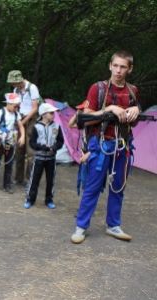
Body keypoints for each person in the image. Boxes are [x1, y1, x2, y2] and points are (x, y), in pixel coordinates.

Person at [70, 50, 140, 244]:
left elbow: (132, 123)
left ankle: (113, 225)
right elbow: (84, 119)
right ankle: (81, 227)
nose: (118, 70)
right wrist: (109, 109)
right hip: (100, 145)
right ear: (110, 65)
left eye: (123, 67)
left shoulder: (133, 91)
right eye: (115, 66)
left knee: (118, 188)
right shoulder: (97, 88)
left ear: (130, 69)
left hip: (122, 146)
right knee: (92, 187)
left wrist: (136, 110)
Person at [23, 103, 63, 209]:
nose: (53, 115)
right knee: (34, 179)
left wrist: (55, 147)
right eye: (51, 113)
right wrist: (41, 147)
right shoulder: (36, 127)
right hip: (39, 158)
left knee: (51, 180)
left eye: (53, 113)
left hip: (51, 159)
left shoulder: (57, 126)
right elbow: (32, 143)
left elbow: (60, 141)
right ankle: (30, 199)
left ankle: (49, 199)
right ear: (44, 114)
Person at [7, 70, 40, 186]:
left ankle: (29, 179)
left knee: (31, 151)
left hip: (30, 120)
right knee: (19, 149)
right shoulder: (16, 90)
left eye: (14, 82)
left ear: (20, 80)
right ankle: (18, 178)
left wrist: (23, 122)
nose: (13, 85)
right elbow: (15, 105)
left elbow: (35, 108)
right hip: (20, 118)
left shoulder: (32, 88)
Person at [0, 93, 25, 194]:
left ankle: (7, 185)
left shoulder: (16, 114)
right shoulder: (0, 113)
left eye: (18, 106)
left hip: (10, 143)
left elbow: (21, 126)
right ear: (9, 103)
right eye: (15, 106)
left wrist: (23, 136)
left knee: (9, 164)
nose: (16, 108)